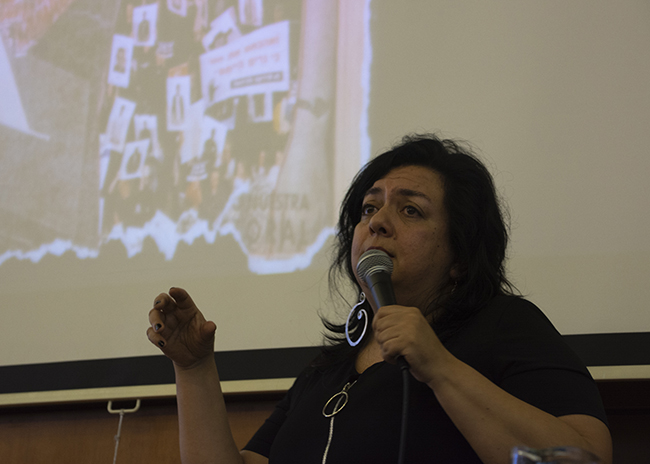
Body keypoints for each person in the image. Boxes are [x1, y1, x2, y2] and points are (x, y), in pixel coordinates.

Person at [147, 134, 612, 464]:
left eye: (410, 210)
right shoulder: (328, 369)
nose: (377, 222)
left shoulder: (505, 326)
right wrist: (194, 369)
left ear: (461, 255)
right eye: (369, 208)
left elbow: (583, 456)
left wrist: (438, 366)